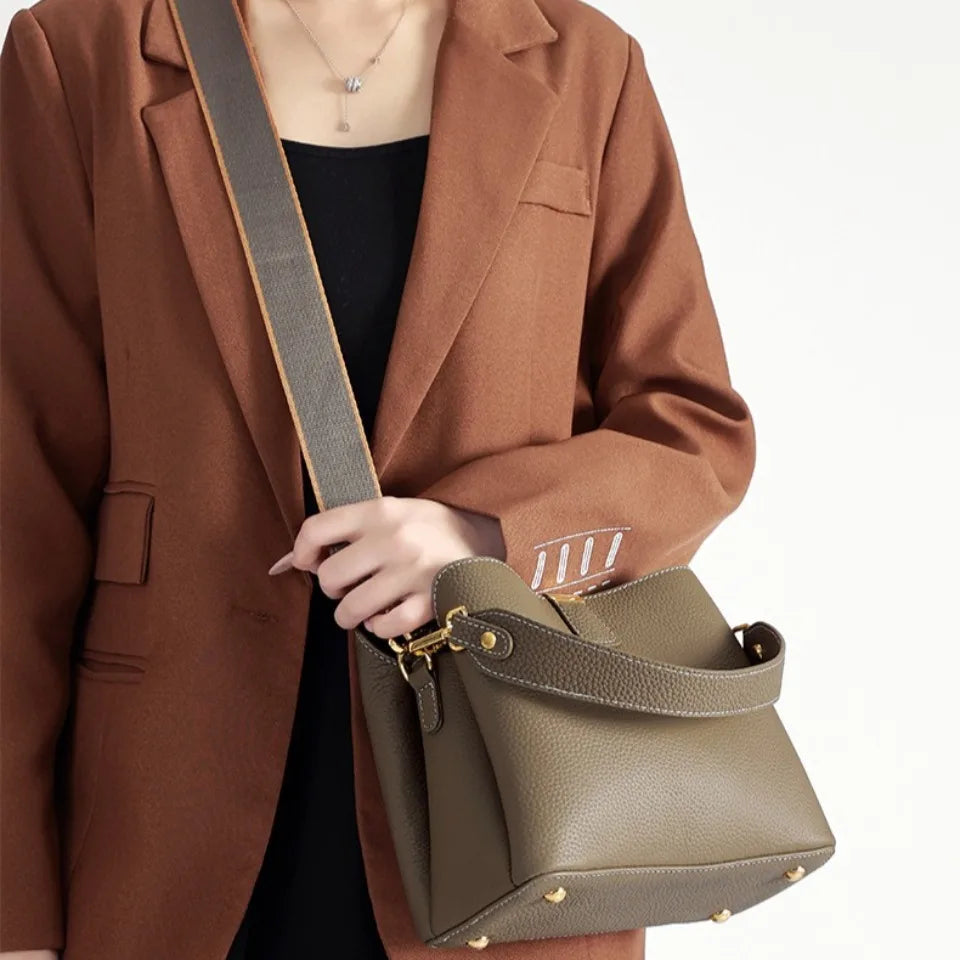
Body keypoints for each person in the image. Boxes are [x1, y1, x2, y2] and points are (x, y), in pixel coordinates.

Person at [0, 1, 757, 958]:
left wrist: (489, 535)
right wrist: (14, 909)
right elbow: (18, 489)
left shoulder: (584, 66)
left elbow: (693, 431)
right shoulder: (83, 54)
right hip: (167, 821)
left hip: (501, 805)